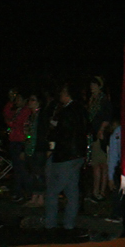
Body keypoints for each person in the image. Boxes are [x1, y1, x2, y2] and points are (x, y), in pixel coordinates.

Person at [45, 82, 88, 230]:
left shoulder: (66, 112)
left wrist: (52, 147)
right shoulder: (82, 110)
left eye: (62, 93)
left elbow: (61, 134)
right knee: (71, 190)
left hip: (65, 156)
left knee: (52, 191)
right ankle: (69, 224)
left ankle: (50, 223)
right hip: (78, 155)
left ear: (67, 94)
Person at [3, 87, 32, 202]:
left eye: (19, 99)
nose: (16, 101)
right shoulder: (17, 110)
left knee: (22, 168)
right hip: (14, 140)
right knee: (17, 168)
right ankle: (18, 191)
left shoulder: (26, 111)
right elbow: (7, 115)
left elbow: (21, 125)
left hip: (21, 141)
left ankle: (27, 192)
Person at [86, 76, 112, 202]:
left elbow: (107, 116)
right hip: (92, 135)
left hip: (101, 136)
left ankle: (101, 192)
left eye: (94, 85)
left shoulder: (103, 100)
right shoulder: (92, 100)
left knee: (103, 165)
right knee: (95, 165)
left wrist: (101, 130)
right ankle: (95, 191)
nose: (92, 88)